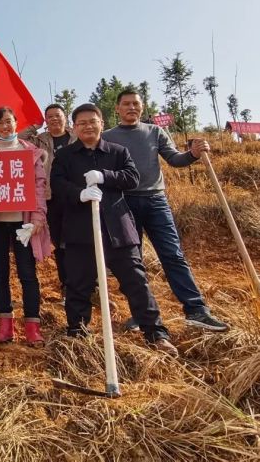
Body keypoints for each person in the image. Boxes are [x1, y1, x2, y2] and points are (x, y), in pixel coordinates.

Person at [50, 103, 178, 356]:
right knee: (78, 285)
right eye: (82, 123)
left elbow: (132, 178)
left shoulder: (118, 151)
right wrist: (80, 194)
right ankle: (77, 333)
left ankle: (155, 333)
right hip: (80, 230)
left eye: (92, 121)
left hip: (118, 228)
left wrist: (105, 176)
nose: (88, 126)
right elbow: (58, 185)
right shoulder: (65, 156)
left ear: (102, 123)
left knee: (136, 281)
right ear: (74, 127)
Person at [102, 90, 228, 331]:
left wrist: (192, 154)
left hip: (155, 201)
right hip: (123, 203)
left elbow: (174, 159)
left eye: (136, 104)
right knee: (132, 262)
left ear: (142, 107)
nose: (131, 108)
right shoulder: (107, 137)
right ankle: (141, 313)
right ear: (117, 108)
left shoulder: (155, 132)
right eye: (126, 104)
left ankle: (196, 310)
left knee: (173, 254)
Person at [0, 106, 50, 346]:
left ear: (16, 123)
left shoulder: (31, 153)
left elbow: (39, 186)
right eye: (0, 123)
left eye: (9, 121)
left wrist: (38, 217)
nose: (5, 126)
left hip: (23, 223)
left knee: (27, 274)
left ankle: (32, 326)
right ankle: (5, 325)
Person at [20, 103, 77, 301]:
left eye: (57, 115)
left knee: (79, 242)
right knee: (60, 242)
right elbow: (19, 139)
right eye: (49, 116)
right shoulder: (40, 140)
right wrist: (35, 125)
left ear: (66, 117)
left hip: (77, 197)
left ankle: (90, 285)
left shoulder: (76, 137)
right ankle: (66, 285)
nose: (54, 119)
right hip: (51, 197)